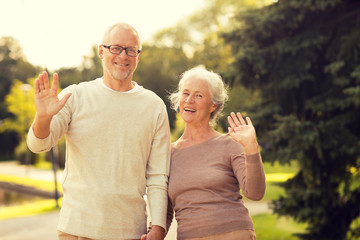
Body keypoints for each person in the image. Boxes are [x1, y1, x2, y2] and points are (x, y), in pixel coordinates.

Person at [27, 23, 170, 240]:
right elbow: (38, 145)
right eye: (116, 48)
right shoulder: (75, 96)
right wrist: (43, 117)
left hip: (130, 231)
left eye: (131, 50)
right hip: (77, 229)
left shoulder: (154, 106)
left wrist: (158, 227)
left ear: (138, 56)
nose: (123, 55)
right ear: (101, 51)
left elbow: (158, 175)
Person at [165, 67, 266, 240]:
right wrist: (154, 232)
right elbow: (165, 211)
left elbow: (255, 193)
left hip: (233, 234)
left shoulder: (229, 144)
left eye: (199, 95)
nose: (189, 100)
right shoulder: (168, 154)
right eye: (186, 93)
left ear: (214, 105)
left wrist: (251, 148)